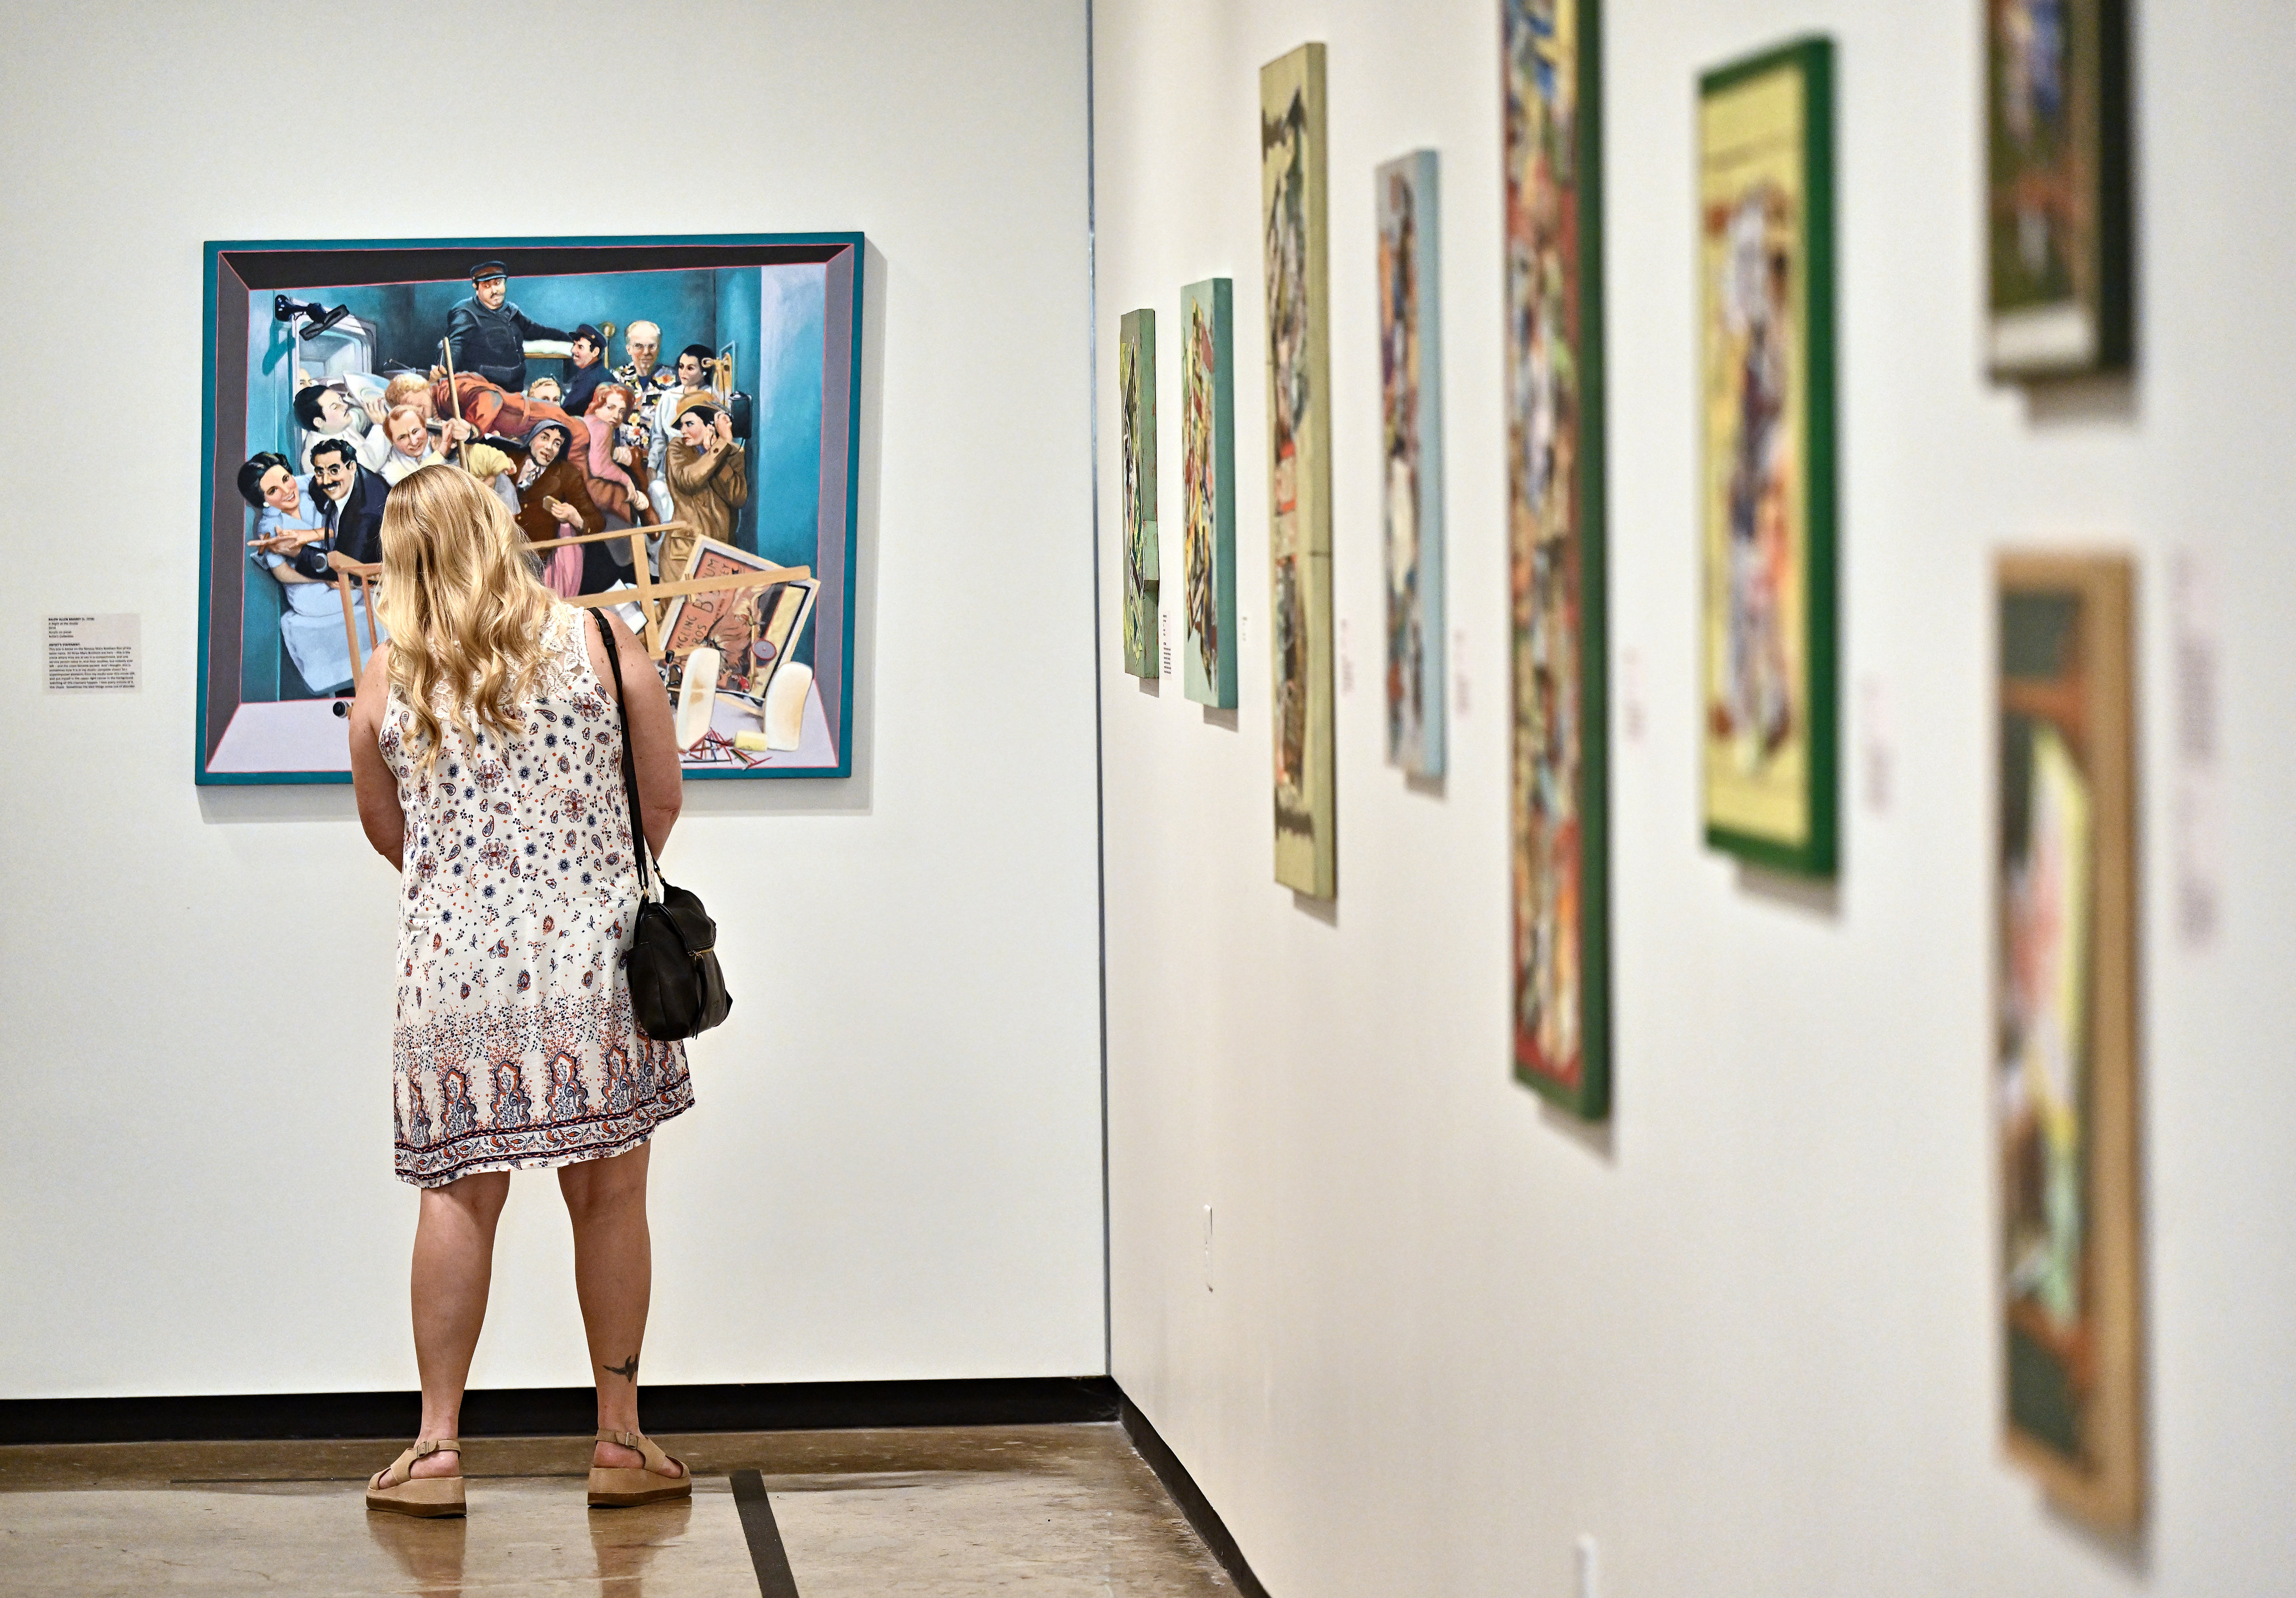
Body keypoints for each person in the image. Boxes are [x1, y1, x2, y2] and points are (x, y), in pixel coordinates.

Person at [347, 464, 693, 1520]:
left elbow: (387, 833)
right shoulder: (598, 640)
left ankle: (438, 1447)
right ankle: (621, 1440)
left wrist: (471, 901)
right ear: (501, 532)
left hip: (449, 978)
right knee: (611, 1196)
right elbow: (661, 797)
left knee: (456, 1194)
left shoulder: (385, 678)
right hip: (592, 964)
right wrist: (579, 884)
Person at [239, 451, 377, 694]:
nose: (285, 490)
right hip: (309, 590)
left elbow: (347, 524)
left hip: (338, 568)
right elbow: (282, 574)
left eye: (285, 479)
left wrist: (313, 540)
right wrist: (324, 577)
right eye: (273, 491)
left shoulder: (308, 486)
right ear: (263, 501)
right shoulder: (269, 528)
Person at [497, 421, 604, 596]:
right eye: (545, 438)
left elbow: (597, 522)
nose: (549, 447)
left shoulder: (568, 475)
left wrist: (575, 517)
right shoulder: (507, 458)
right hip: (501, 551)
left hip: (537, 560)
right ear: (531, 439)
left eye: (557, 444)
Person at [446, 261, 576, 393]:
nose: (494, 291)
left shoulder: (511, 311)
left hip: (515, 391)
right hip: (484, 392)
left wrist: (568, 338)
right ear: (476, 287)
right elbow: (455, 345)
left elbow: (537, 331)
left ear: (505, 283)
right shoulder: (466, 313)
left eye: (498, 284)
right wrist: (445, 369)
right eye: (487, 286)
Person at [662, 393, 747, 582]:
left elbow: (737, 497)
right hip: (684, 551)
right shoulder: (677, 448)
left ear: (710, 425)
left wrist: (717, 450)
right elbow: (688, 481)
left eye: (689, 424)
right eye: (681, 425)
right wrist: (719, 449)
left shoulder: (732, 452)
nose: (683, 430)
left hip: (721, 552)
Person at [647, 346, 717, 528]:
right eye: (681, 366)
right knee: (660, 501)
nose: (683, 372)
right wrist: (652, 467)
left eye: (690, 368)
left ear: (704, 371)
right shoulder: (669, 397)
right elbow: (658, 437)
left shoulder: (713, 398)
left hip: (698, 468)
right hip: (669, 469)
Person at [309, 436, 393, 565]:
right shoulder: (320, 484)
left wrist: (299, 552)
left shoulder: (367, 515)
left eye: (334, 471)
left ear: (352, 467)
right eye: (320, 473)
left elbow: (346, 567)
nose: (326, 481)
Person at [296, 381, 392, 474]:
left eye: (340, 400)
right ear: (319, 422)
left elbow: (359, 416)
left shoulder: (333, 427)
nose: (345, 406)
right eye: (335, 407)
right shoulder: (320, 454)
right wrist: (381, 426)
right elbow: (369, 463)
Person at [381, 405, 448, 486]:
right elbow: (418, 485)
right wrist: (441, 453)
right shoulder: (390, 469)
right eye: (402, 437)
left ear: (424, 427)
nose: (414, 442)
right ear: (392, 442)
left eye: (416, 431)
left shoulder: (438, 436)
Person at [561, 324, 611, 417]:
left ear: (595, 352)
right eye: (574, 345)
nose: (573, 350)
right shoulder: (594, 373)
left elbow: (567, 411)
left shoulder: (591, 379)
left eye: (580, 347)